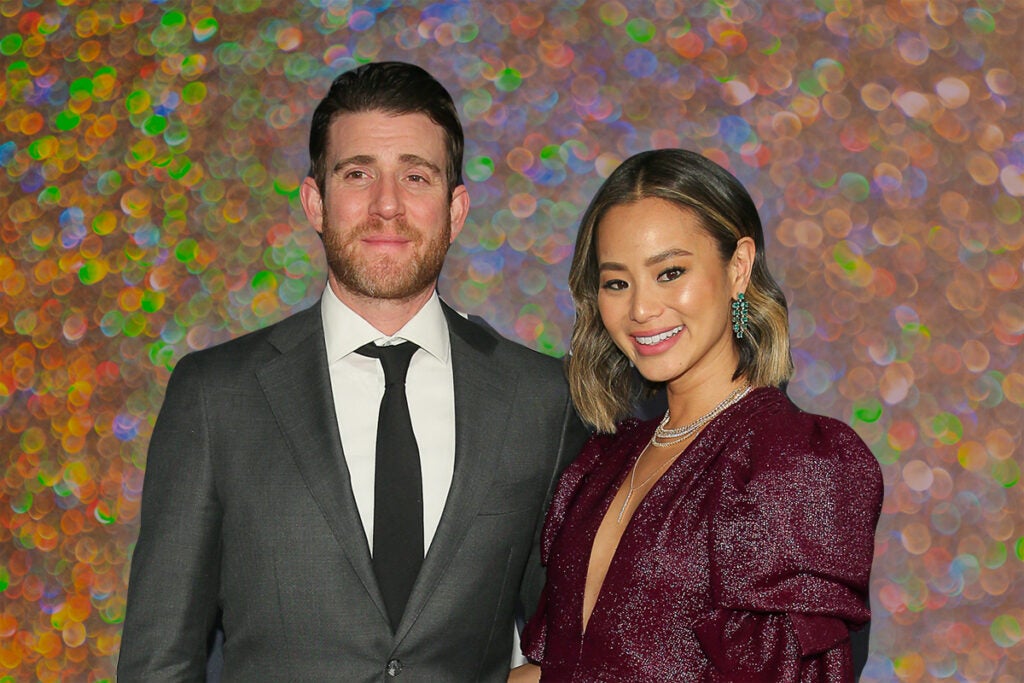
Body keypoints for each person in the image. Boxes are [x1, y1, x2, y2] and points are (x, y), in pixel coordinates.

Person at [118, 61, 588, 682]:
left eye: (416, 177)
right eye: (358, 173)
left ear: (457, 210)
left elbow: (571, 645)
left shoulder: (542, 400)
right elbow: (160, 662)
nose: (387, 205)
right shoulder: (216, 396)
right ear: (315, 201)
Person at [511, 149, 883, 682]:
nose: (641, 309)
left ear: (738, 267)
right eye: (617, 282)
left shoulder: (794, 462)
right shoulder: (603, 462)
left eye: (670, 272)